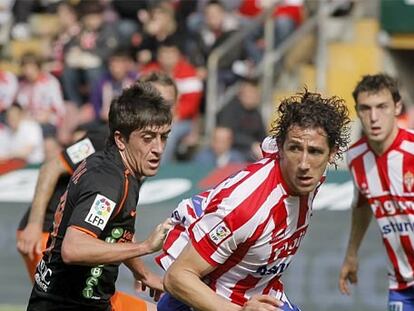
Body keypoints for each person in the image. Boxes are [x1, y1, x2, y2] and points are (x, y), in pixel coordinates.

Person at [161, 90, 351, 311]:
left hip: (260, 292)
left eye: (315, 152)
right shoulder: (247, 207)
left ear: (332, 154)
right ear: (281, 148)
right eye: (295, 149)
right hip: (206, 298)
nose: (303, 164)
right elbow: (178, 277)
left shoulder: (310, 174)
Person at [17, 74, 178, 310]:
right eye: (148, 138)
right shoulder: (107, 177)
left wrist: (143, 273)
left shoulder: (122, 167)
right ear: (121, 138)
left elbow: (117, 230)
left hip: (82, 294)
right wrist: (145, 247)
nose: (158, 149)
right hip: (68, 295)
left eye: (163, 137)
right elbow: (74, 248)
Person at [338, 74, 414, 310]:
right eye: (366, 108)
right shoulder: (356, 157)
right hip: (400, 283)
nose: (374, 117)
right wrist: (351, 253)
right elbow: (362, 205)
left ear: (397, 107)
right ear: (358, 111)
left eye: (382, 107)